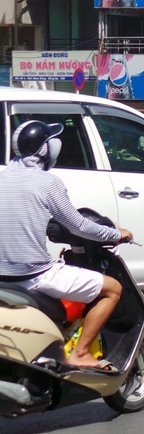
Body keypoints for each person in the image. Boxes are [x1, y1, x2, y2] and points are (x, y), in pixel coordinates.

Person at [0, 121, 133, 371]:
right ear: (44, 150)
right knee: (112, 289)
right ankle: (80, 353)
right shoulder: (48, 183)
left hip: (2, 277)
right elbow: (79, 226)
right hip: (33, 276)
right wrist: (115, 234)